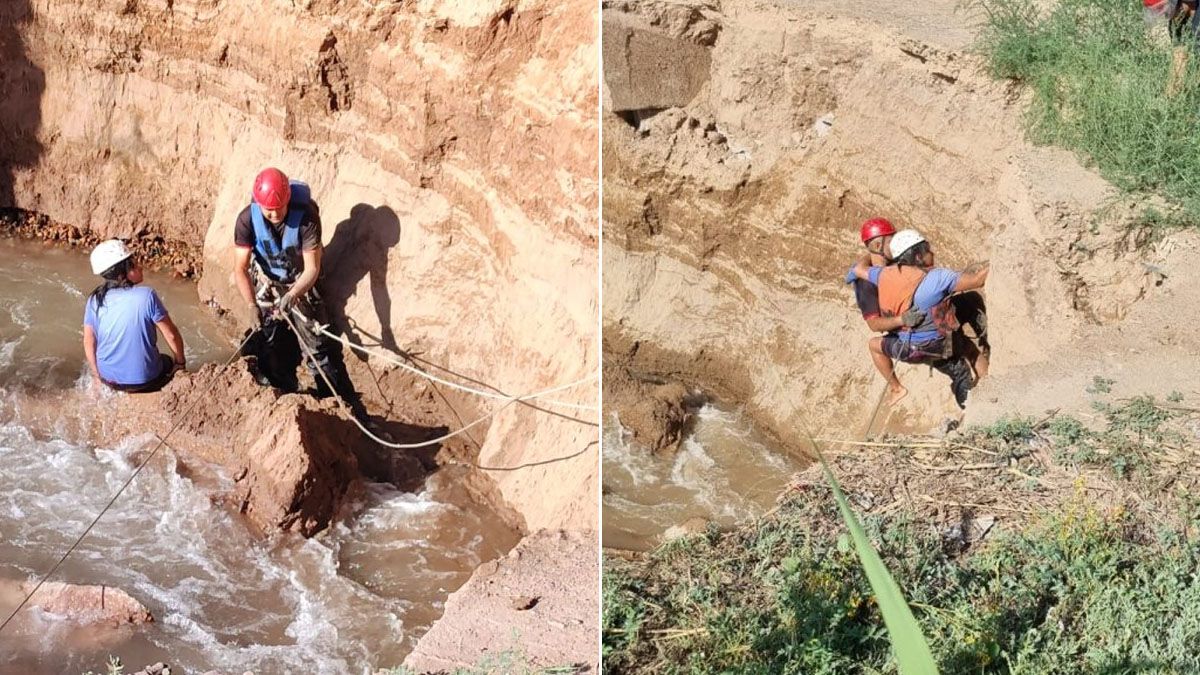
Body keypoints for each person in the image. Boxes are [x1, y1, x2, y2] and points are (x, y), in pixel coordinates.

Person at [232, 167, 359, 407]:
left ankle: (333, 400)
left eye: (279, 208)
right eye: (268, 210)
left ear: (288, 200)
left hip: (301, 283)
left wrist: (293, 294)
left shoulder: (306, 217)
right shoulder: (247, 220)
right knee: (266, 339)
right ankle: (280, 390)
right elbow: (240, 268)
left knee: (317, 348)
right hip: (269, 283)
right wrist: (251, 305)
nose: (274, 214)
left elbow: (312, 268)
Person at [851, 229, 989, 408]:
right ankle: (987, 396)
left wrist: (870, 252)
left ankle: (896, 388)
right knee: (968, 352)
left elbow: (858, 269)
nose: (932, 253)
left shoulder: (883, 275)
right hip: (938, 344)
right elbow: (978, 280)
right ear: (917, 256)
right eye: (927, 250)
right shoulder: (938, 279)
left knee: (874, 345)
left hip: (908, 348)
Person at [83, 239, 186, 393]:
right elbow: (171, 335)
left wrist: (97, 376)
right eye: (134, 262)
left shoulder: (95, 300)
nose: (140, 265)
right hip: (147, 381)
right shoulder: (147, 295)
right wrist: (180, 363)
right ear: (125, 270)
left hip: (108, 379)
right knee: (168, 361)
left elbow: (89, 341)